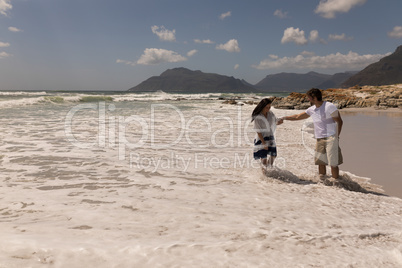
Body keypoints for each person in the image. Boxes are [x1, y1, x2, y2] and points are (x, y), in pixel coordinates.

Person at [283, 88, 343, 179]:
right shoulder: (312, 109)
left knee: (333, 163)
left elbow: (339, 121)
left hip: (331, 138)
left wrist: (336, 136)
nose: (308, 99)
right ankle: (323, 182)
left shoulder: (329, 106)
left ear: (314, 97)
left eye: (309, 98)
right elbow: (297, 117)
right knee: (320, 162)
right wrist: (284, 118)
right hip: (319, 139)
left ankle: (337, 184)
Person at [252, 98, 283, 170]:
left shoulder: (270, 113)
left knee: (273, 155)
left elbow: (275, 122)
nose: (268, 109)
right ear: (262, 106)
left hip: (270, 137)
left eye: (269, 107)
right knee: (264, 158)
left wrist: (279, 122)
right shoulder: (258, 117)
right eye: (267, 107)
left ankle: (269, 170)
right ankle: (264, 175)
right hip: (261, 139)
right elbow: (258, 131)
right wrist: (263, 143)